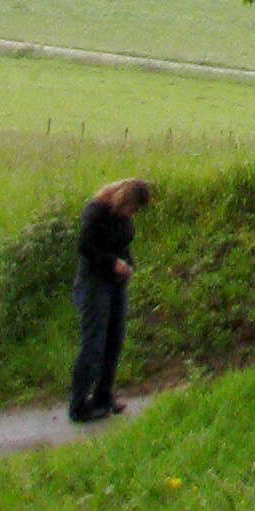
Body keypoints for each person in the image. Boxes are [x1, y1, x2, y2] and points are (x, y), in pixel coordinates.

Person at [68, 175, 153, 423]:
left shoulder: (124, 219)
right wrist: (112, 262)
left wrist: (127, 264)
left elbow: (123, 244)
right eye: (132, 208)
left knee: (114, 340)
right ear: (123, 200)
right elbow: (85, 246)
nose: (133, 214)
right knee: (94, 342)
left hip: (115, 283)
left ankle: (103, 396)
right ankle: (79, 405)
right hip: (94, 283)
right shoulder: (97, 212)